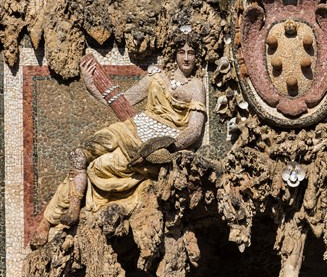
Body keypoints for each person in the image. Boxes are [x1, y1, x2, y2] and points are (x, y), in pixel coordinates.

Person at [31, 32, 207, 248]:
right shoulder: (156, 76)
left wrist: (166, 149)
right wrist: (90, 85)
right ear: (174, 54)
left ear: (197, 56)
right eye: (182, 52)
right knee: (79, 155)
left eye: (191, 53)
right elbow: (120, 100)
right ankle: (69, 210)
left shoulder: (196, 86)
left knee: (97, 168)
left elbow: (195, 130)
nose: (186, 58)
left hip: (154, 144)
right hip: (131, 128)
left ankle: (50, 218)